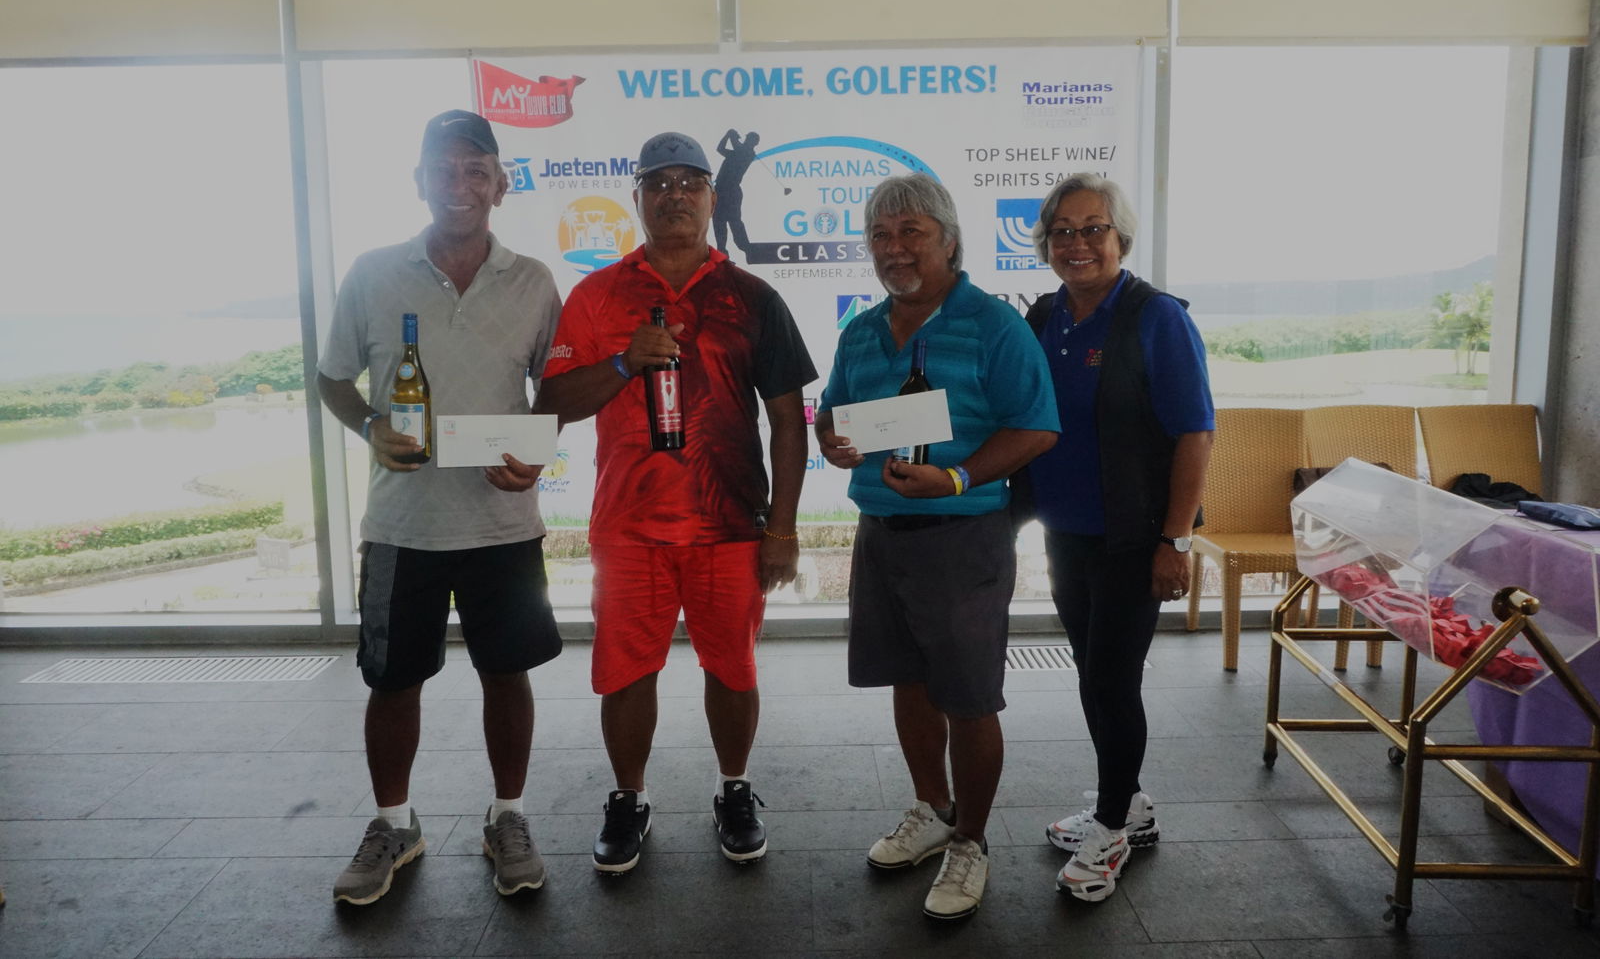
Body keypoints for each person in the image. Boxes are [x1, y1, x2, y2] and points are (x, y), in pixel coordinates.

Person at [537, 131, 816, 875]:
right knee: (626, 673)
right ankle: (629, 798)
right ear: (637, 199)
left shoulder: (752, 296)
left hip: (729, 526)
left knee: (733, 669)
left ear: (711, 198)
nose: (674, 196)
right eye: (658, 184)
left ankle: (734, 789)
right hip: (628, 528)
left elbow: (790, 417)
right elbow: (555, 401)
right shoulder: (598, 295)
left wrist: (781, 528)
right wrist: (626, 360)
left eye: (690, 183)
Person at [317, 109, 564, 904]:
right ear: (418, 181)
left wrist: (534, 448)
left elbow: (550, 391)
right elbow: (332, 379)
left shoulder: (532, 281)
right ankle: (395, 823)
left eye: (474, 170)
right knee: (392, 683)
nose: (459, 185)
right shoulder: (371, 272)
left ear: (499, 182)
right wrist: (368, 426)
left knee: (508, 673)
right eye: (442, 170)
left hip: (503, 525)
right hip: (401, 527)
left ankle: (509, 816)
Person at [815, 172, 1058, 920]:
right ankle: (932, 808)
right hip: (882, 533)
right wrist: (835, 444)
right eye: (882, 236)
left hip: (963, 535)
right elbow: (829, 419)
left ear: (949, 241)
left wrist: (954, 478)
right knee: (908, 682)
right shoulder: (860, 329)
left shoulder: (992, 324)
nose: (895, 249)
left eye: (912, 232)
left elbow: (1037, 426)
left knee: (969, 698)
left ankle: (971, 842)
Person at [1022, 173, 1214, 903]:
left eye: (1093, 228)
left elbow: (1196, 434)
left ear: (1120, 238)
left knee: (1111, 679)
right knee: (1092, 671)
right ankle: (1130, 805)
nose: (1077, 244)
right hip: (1067, 530)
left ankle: (1110, 827)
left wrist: (1177, 541)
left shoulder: (1157, 317)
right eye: (1062, 232)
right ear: (1046, 244)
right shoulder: (1045, 316)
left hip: (1138, 537)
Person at [712, 129, 760, 259]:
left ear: (753, 143)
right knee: (718, 221)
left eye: (749, 139)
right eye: (746, 138)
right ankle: (721, 250)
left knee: (734, 221)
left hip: (732, 191)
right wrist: (727, 135)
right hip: (720, 190)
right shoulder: (735, 153)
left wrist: (731, 135)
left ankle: (746, 248)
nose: (746, 141)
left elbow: (738, 147)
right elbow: (720, 148)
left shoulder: (748, 153)